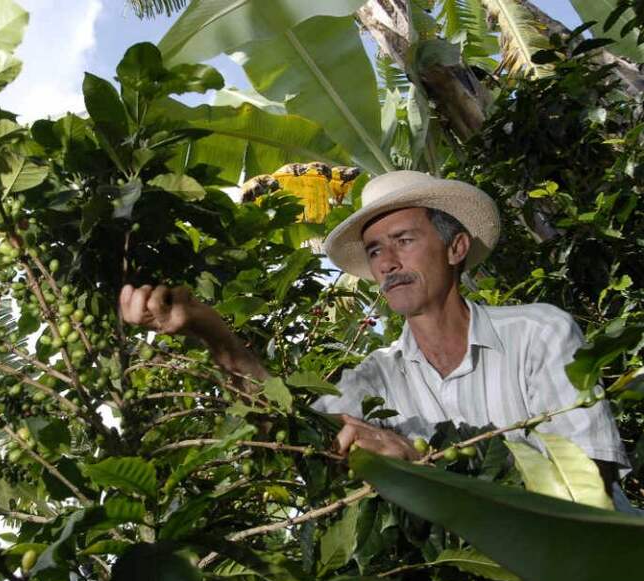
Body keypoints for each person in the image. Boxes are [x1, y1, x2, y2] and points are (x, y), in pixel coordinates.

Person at [118, 170, 629, 485]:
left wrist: (428, 468)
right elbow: (289, 432)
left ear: (457, 249)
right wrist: (214, 334)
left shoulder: (539, 334)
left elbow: (592, 478)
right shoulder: (376, 378)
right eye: (376, 250)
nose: (386, 263)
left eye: (403, 240)